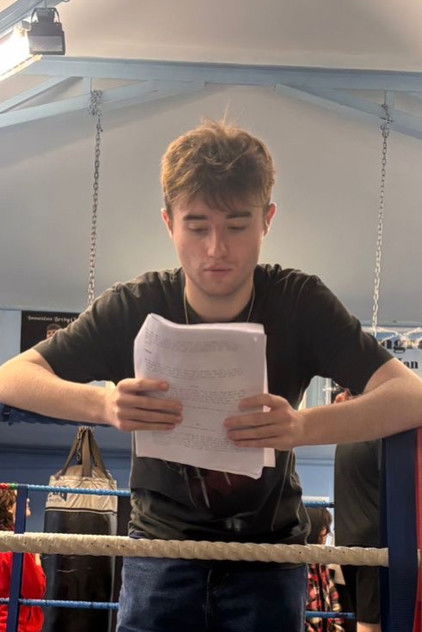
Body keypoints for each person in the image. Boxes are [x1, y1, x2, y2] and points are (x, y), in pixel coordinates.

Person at [0, 119, 422, 632]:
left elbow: (410, 395)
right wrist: (104, 405)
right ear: (168, 223)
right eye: (197, 226)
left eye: (237, 226)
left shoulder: (300, 302)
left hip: (268, 557)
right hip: (161, 553)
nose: (217, 248)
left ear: (267, 220)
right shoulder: (134, 305)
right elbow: (13, 377)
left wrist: (302, 427)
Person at [334, 390, 382, 632]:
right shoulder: (377, 437)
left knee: (363, 618)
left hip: (347, 541)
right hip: (371, 545)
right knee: (370, 623)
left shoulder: (345, 439)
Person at [0, 489, 46, 632]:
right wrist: (36, 561)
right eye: (19, 497)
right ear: (8, 508)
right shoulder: (14, 544)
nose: (27, 499)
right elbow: (35, 591)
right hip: (13, 625)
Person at [306, 507, 344, 632]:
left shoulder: (322, 565)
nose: (327, 533)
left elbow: (334, 603)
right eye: (323, 528)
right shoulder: (298, 568)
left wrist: (338, 630)